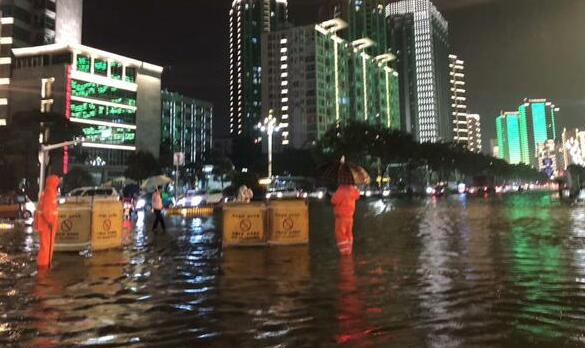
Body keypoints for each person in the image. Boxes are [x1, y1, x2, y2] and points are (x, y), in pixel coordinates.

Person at [34, 175, 60, 269]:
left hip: (46, 225)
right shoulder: (50, 192)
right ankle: (44, 267)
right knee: (47, 248)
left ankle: (43, 265)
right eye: (57, 183)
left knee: (45, 246)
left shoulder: (48, 191)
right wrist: (50, 222)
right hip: (47, 226)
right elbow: (47, 210)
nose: (58, 185)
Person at [331, 184, 360, 256]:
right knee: (349, 233)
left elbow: (333, 200)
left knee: (340, 234)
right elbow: (357, 195)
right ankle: (349, 250)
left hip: (341, 217)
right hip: (350, 217)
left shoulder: (341, 190)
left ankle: (345, 252)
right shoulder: (353, 190)